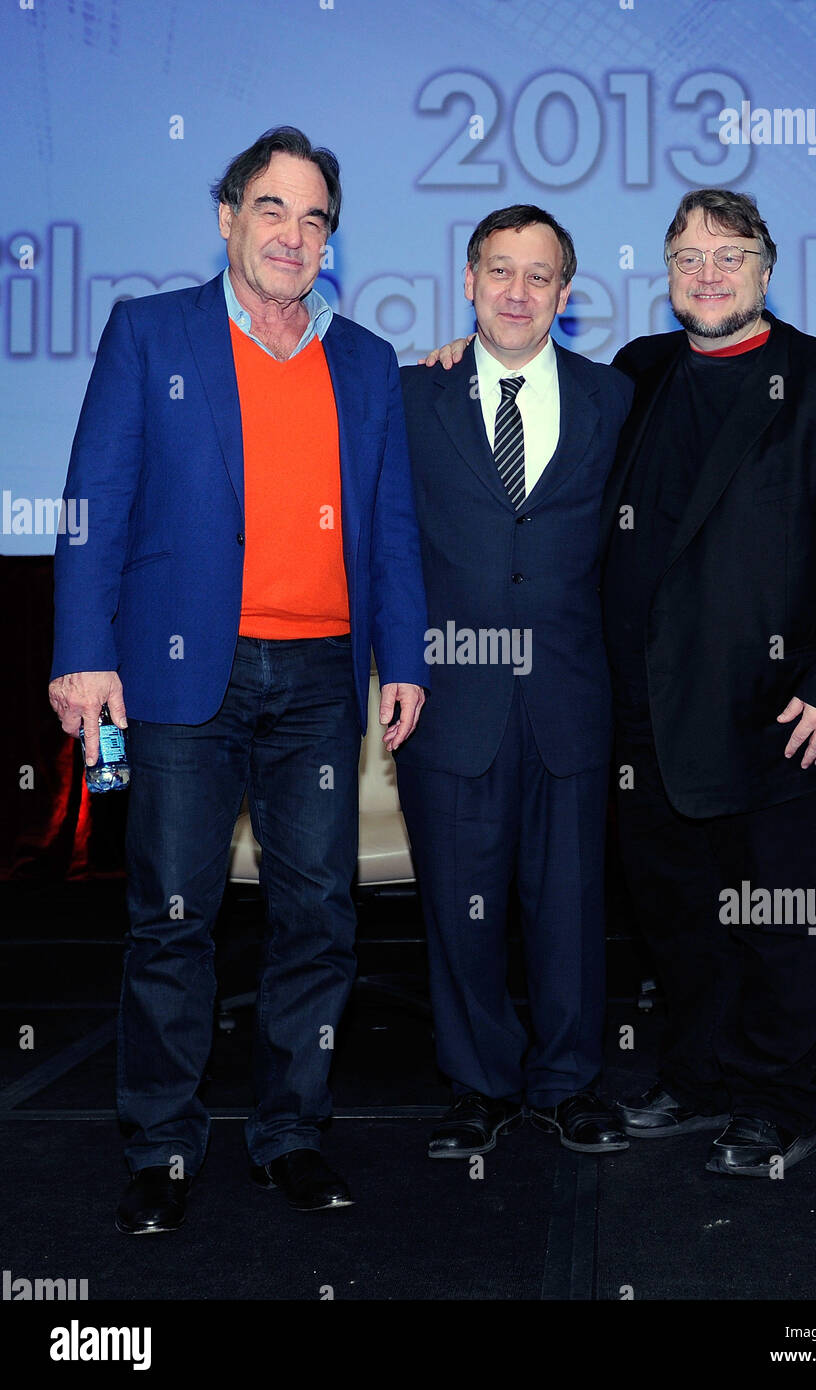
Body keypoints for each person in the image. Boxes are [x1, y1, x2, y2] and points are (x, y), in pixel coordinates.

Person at [48, 126, 428, 1232]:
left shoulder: (361, 360)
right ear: (227, 218)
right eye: (272, 209)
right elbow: (93, 501)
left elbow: (390, 526)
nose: (293, 235)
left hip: (318, 678)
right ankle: (162, 1146)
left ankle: (290, 1134)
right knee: (175, 918)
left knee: (320, 916)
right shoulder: (148, 332)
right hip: (181, 679)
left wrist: (402, 657)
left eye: (314, 218)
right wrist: (83, 648)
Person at [602, 189, 816, 1175]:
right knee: (680, 920)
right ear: (667, 274)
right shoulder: (639, 372)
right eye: (686, 257)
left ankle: (783, 1102)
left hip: (782, 715)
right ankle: (699, 1079)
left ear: (766, 269)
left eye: (727, 255)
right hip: (648, 713)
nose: (706, 273)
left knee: (780, 920)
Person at [398, 206, 633, 1159]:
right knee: (459, 903)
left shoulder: (614, 397)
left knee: (571, 903)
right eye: (499, 271)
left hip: (572, 695)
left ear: (565, 296)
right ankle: (477, 1087)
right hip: (451, 696)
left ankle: (568, 1084)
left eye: (539, 277)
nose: (517, 292)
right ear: (467, 280)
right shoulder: (410, 394)